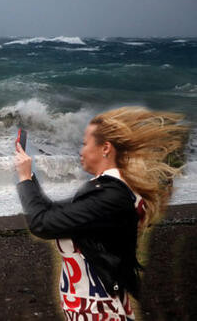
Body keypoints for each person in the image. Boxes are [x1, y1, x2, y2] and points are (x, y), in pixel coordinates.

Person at [14, 107, 188, 320]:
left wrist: (23, 179)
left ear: (106, 148)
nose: (81, 151)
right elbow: (51, 214)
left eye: (85, 143)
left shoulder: (110, 196)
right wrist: (29, 176)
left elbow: (41, 223)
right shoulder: (109, 191)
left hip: (101, 313)